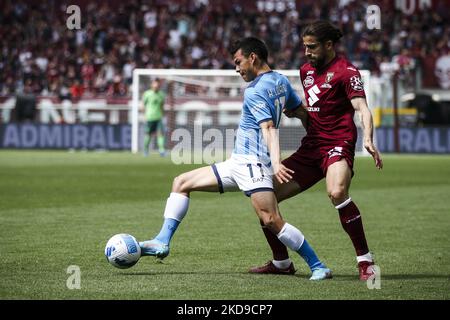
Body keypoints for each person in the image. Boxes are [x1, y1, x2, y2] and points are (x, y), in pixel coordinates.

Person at [139, 37, 332, 280]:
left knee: (271, 219)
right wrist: (314, 136)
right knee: (181, 182)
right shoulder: (281, 80)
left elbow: (270, 128)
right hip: (237, 163)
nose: (237, 68)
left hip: (253, 164)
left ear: (253, 58)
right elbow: (299, 110)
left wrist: (276, 162)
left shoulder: (255, 90)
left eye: (238, 62)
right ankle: (162, 241)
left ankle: (317, 265)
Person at [249, 21, 383, 281]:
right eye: (305, 47)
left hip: (338, 142)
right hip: (312, 146)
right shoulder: (305, 71)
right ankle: (281, 262)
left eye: (312, 47)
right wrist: (299, 112)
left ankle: (365, 262)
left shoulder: (347, 72)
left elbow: (362, 108)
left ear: (329, 45)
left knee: (337, 192)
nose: (307, 52)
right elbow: (312, 111)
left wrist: (368, 138)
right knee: (265, 197)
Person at [142, 78, 166, 157]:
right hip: (149, 117)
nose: (156, 86)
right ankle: (145, 150)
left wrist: (162, 114)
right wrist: (144, 115)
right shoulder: (147, 94)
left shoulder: (161, 94)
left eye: (157, 84)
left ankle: (162, 150)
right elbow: (143, 105)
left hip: (158, 117)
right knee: (148, 134)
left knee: (160, 134)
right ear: (151, 85)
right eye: (154, 84)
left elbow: (162, 106)